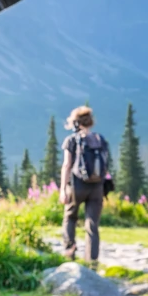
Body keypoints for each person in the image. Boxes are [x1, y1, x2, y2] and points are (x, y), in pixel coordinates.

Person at [60, 106, 111, 266]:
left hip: (77, 185)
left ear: (75, 122)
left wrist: (62, 189)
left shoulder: (71, 140)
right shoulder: (100, 139)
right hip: (97, 187)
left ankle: (69, 251)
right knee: (93, 223)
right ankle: (92, 259)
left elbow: (67, 165)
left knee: (70, 216)